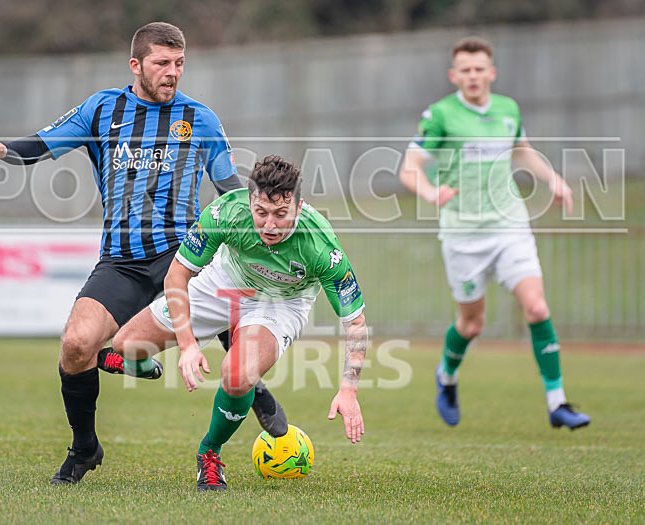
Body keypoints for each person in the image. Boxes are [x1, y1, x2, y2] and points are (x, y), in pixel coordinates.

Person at [0, 22, 287, 485]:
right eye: (162, 63)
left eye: (179, 64)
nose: (172, 73)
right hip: (122, 261)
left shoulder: (201, 118)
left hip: (185, 254)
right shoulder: (102, 110)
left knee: (231, 324)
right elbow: (43, 143)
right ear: (136, 65)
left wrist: (261, 232)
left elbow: (231, 191)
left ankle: (253, 393)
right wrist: (4, 149)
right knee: (76, 346)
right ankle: (85, 447)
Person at [110, 155, 368, 491]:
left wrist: (348, 390)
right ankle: (148, 368)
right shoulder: (226, 212)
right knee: (124, 345)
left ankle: (210, 452)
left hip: (281, 302)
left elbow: (356, 323)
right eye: (261, 213)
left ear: (299, 207)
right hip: (225, 281)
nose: (270, 225)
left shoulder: (321, 247)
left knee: (237, 376)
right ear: (249, 202)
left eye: (281, 214)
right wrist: (187, 345)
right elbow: (177, 275)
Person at [399, 36, 590, 430]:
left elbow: (521, 150)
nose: (473, 75)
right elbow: (409, 168)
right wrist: (432, 192)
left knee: (536, 307)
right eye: (465, 70)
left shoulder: (508, 109)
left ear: (492, 72)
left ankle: (557, 403)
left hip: (509, 227)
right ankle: (447, 377)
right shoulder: (439, 115)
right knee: (472, 324)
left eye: (479, 68)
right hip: (463, 235)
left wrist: (554, 180)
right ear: (454, 76)